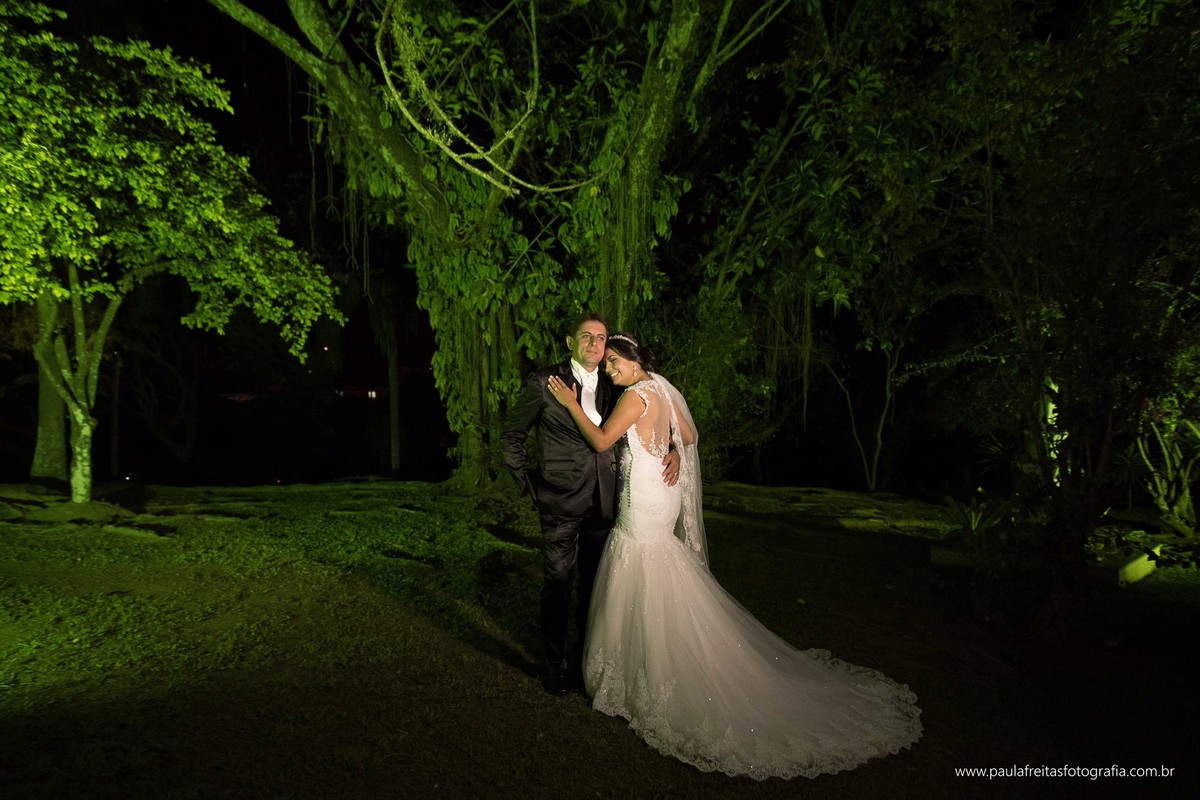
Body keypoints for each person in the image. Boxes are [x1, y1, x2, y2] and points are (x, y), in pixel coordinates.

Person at [546, 332, 922, 780]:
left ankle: (643, 672)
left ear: (632, 360)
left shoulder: (634, 396)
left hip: (643, 502)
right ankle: (650, 659)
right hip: (660, 499)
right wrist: (673, 453)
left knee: (639, 563)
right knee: (659, 565)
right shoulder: (663, 388)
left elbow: (604, 441)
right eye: (606, 364)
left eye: (613, 361)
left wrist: (571, 404)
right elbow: (690, 434)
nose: (609, 369)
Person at [502, 313, 679, 695]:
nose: (595, 345)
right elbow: (511, 436)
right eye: (586, 337)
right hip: (559, 501)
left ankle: (588, 659)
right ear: (570, 342)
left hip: (607, 501)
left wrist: (674, 449)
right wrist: (532, 487)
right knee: (558, 584)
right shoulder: (543, 383)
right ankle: (554, 663)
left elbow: (650, 419)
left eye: (601, 338)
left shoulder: (616, 382)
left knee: (598, 585)